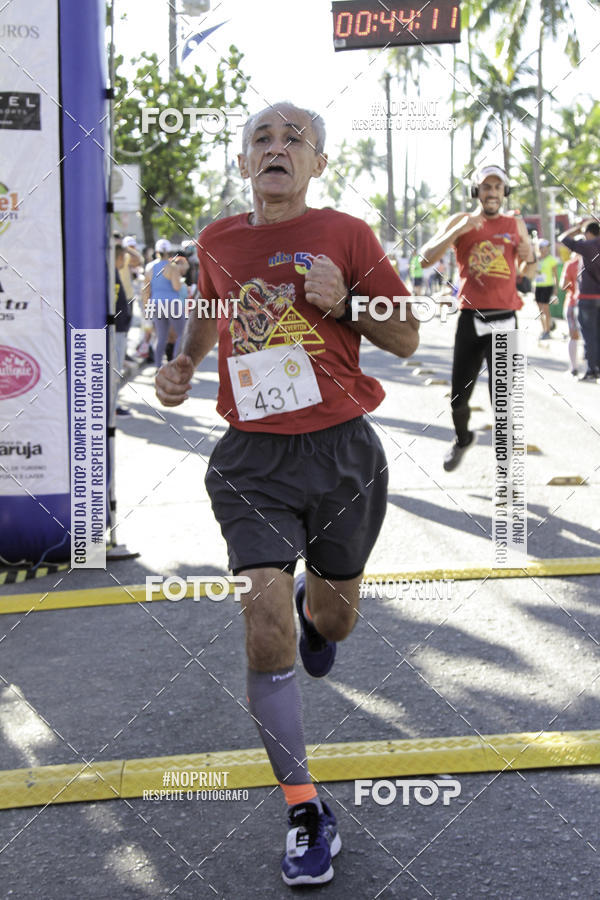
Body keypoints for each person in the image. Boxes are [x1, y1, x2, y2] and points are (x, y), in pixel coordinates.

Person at [155, 101, 419, 887]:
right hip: (252, 460)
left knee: (330, 619)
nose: (278, 147)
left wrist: (346, 303)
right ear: (244, 165)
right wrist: (181, 364)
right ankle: (306, 807)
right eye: (262, 139)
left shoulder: (347, 235)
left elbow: (406, 335)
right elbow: (210, 312)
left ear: (317, 163)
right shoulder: (219, 241)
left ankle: (317, 606)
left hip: (344, 455)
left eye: (294, 138)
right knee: (261, 626)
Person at [419, 164, 534, 471]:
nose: (492, 192)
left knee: (503, 400)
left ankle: (506, 465)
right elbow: (424, 259)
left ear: (504, 192)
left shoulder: (515, 223)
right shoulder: (462, 221)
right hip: (471, 319)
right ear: (477, 191)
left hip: (507, 319)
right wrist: (459, 231)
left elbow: (528, 272)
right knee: (459, 398)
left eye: (498, 187)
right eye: (486, 187)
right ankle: (462, 438)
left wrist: (529, 255)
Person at [559, 218, 600, 381]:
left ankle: (592, 369)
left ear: (589, 233)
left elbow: (563, 239)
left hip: (587, 297)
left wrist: (576, 229)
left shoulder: (588, 246)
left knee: (589, 335)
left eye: (584, 233)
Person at [142, 239, 184, 368]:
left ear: (156, 252)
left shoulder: (149, 267)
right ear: (169, 251)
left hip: (155, 304)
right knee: (182, 334)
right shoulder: (172, 267)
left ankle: (158, 366)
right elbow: (176, 287)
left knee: (161, 337)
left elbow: (146, 290)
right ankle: (176, 364)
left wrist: (146, 308)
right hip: (172, 303)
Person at [113, 245, 133, 416]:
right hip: (117, 328)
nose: (124, 262)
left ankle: (113, 404)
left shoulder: (114, 273)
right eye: (122, 258)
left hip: (120, 327)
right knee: (115, 369)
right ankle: (113, 406)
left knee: (117, 368)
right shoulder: (111, 275)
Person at [559, 248, 581, 376]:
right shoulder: (595, 261)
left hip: (573, 303)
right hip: (594, 302)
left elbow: (563, 285)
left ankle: (574, 368)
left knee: (573, 336)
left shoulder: (571, 264)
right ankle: (592, 368)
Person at [533, 239, 560, 339]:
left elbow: (556, 275)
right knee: (540, 310)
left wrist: (556, 289)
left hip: (547, 286)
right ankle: (544, 329)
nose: (547, 249)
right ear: (539, 248)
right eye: (545, 247)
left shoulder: (551, 259)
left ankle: (547, 331)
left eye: (547, 247)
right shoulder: (535, 259)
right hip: (538, 286)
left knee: (545, 309)